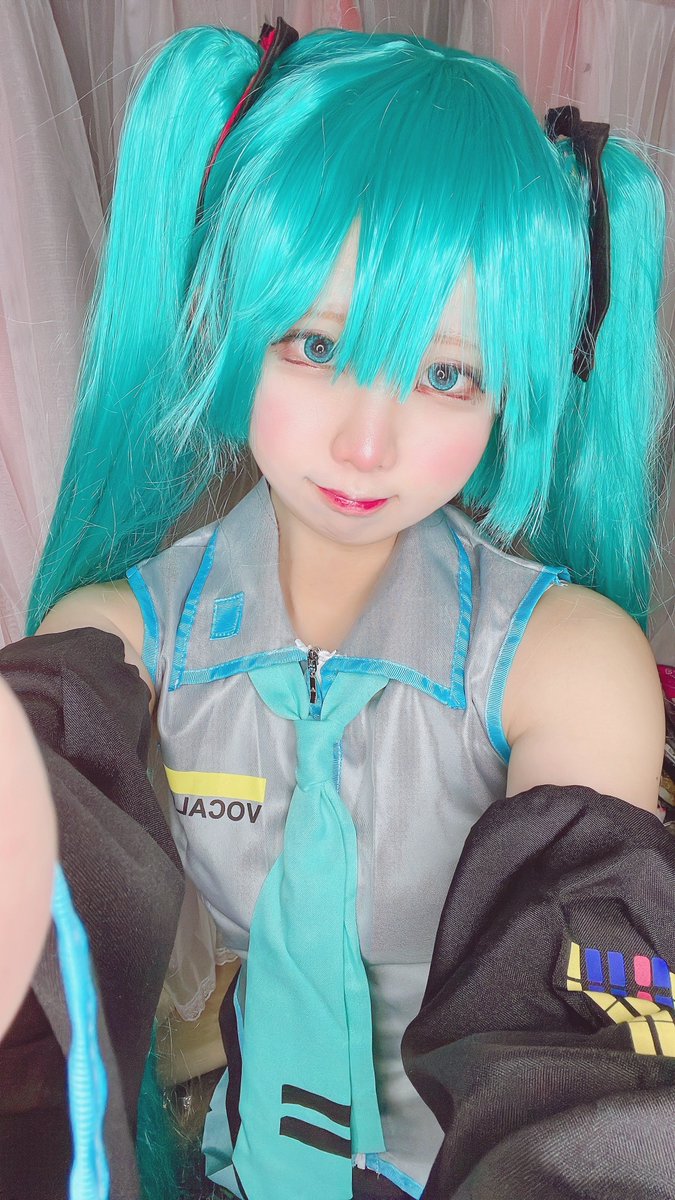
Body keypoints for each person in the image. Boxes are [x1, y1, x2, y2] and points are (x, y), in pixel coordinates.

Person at [1, 17, 673, 1200]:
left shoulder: (564, 666)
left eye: (445, 375)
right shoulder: (119, 639)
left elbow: (577, 1058)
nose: (369, 442)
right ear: (226, 322)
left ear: (512, 389)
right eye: (316, 346)